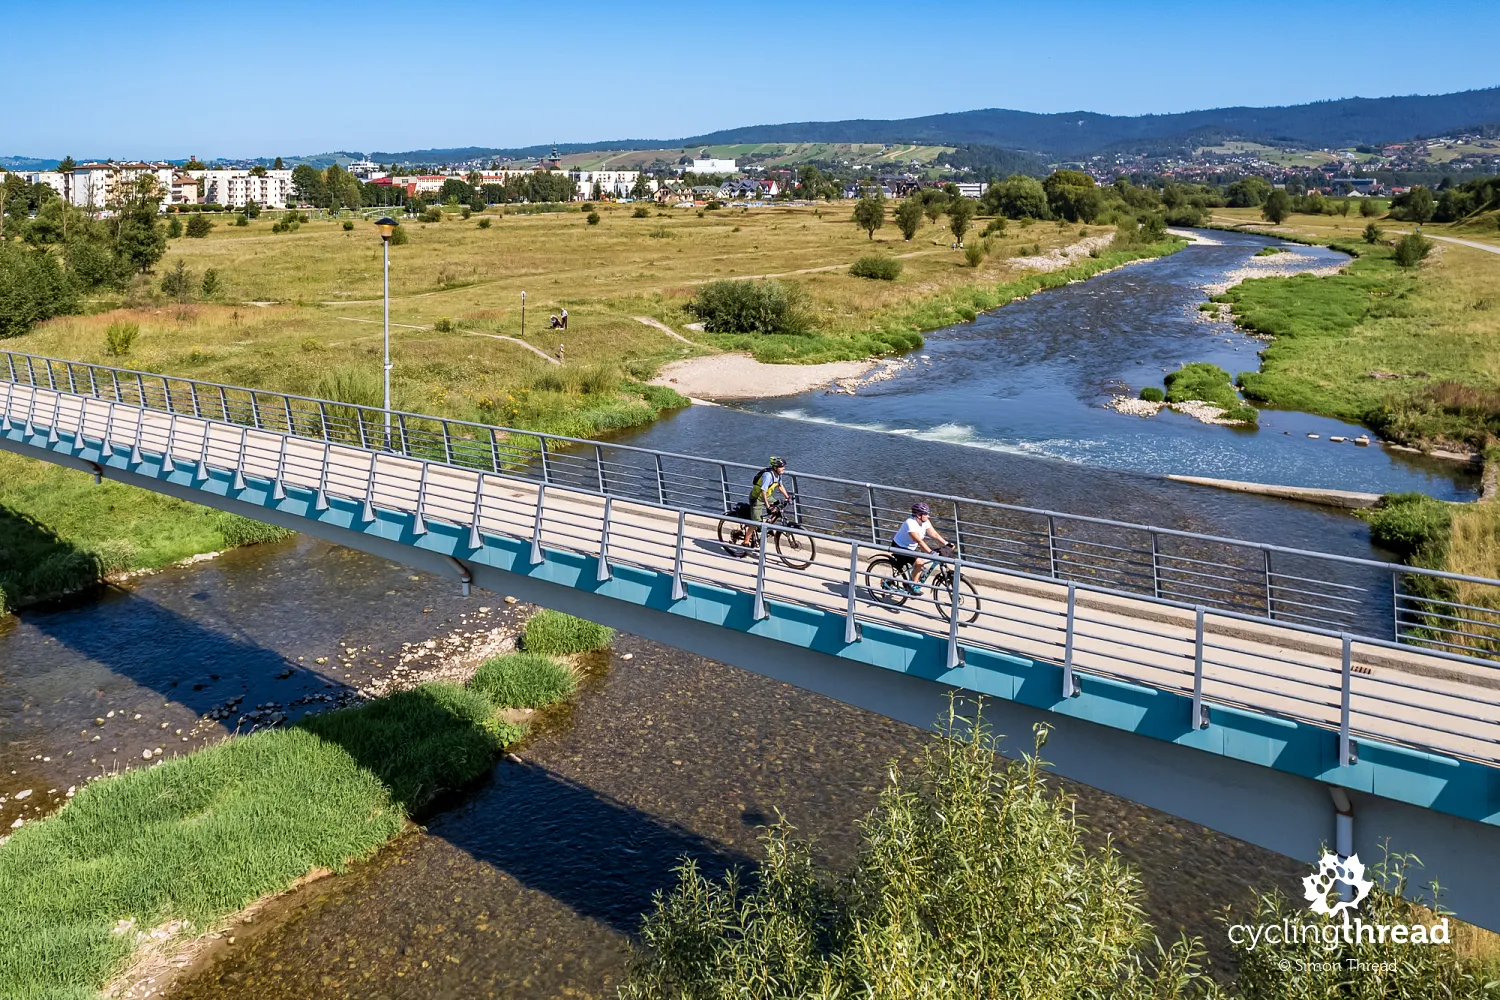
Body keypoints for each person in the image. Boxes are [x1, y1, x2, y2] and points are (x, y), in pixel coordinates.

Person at [891, 502, 950, 594]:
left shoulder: (925, 521)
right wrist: (931, 552)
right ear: (918, 515)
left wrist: (947, 543)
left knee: (920, 563)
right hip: (899, 547)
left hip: (911, 548)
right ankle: (911, 586)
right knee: (919, 562)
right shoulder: (910, 523)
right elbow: (919, 541)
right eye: (926, 514)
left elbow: (934, 534)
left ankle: (914, 577)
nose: (928, 516)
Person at [745, 456, 790, 546]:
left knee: (778, 510)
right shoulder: (768, 476)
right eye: (781, 467)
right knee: (756, 522)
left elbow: (780, 486)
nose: (783, 468)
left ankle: (768, 527)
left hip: (767, 496)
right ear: (775, 468)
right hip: (757, 498)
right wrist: (768, 506)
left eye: (783, 466)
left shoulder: (778, 475)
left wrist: (787, 497)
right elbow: (763, 491)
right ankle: (746, 541)